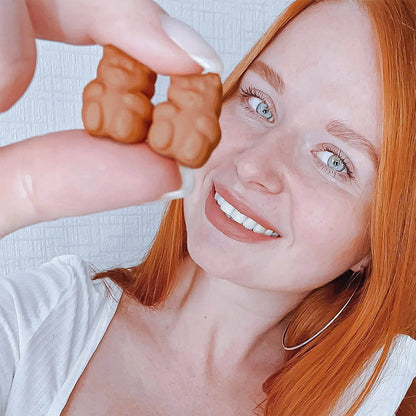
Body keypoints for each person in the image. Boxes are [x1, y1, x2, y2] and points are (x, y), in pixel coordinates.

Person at [0, 0, 415, 415]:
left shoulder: (380, 399)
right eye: (259, 103)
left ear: (378, 239)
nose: (253, 164)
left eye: (333, 160)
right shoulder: (34, 323)